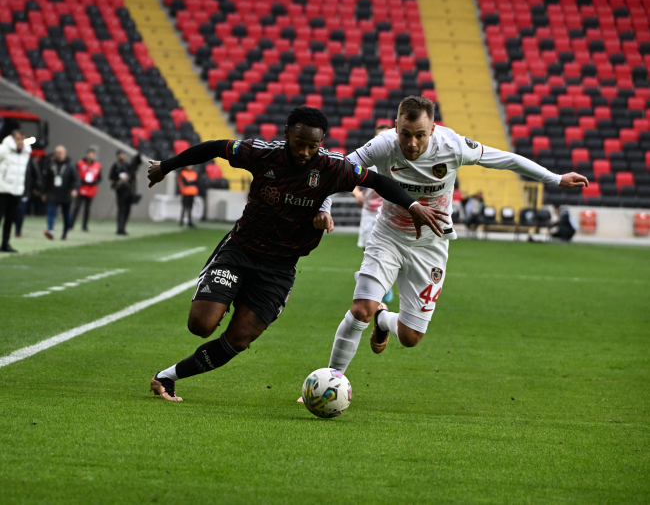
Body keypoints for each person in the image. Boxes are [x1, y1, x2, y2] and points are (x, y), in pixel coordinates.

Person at [145, 107, 446, 402]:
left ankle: (167, 377)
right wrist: (166, 166)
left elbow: (378, 181)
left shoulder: (332, 167)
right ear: (287, 133)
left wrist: (412, 206)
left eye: (313, 146)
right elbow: (215, 147)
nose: (304, 151)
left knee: (238, 340)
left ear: (322, 142)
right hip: (240, 252)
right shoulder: (262, 154)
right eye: (299, 143)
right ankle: (222, 297)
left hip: (279, 269)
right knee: (201, 325)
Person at [317, 95, 588, 377]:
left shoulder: (453, 146)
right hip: (389, 236)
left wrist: (555, 178)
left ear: (432, 130)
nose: (411, 143)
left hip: (431, 244)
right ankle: (331, 380)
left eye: (420, 135)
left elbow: (505, 159)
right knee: (361, 309)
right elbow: (337, 173)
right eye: (405, 134)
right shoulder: (384, 143)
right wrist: (324, 208)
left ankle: (384, 319)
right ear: (395, 126)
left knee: (411, 337)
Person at [351, 123, 394, 302]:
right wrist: (357, 193)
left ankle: (385, 286)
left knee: (386, 251)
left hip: (388, 213)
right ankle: (374, 282)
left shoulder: (397, 160)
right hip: (369, 212)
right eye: (378, 137)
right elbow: (349, 176)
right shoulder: (368, 162)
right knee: (366, 248)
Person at [0, 130, 31, 252]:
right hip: (2, 189)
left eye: (22, 139)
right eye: (18, 139)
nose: (20, 142)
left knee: (10, 219)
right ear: (12, 139)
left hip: (16, 190)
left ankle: (5, 243)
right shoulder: (4, 149)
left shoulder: (25, 153)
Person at [42, 145, 78, 241]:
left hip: (65, 194)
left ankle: (64, 233)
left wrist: (74, 189)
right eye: (57, 152)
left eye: (61, 152)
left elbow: (76, 180)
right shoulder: (50, 165)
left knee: (66, 214)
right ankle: (50, 231)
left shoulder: (70, 166)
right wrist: (43, 192)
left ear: (65, 153)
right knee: (51, 212)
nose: (59, 155)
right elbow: (46, 180)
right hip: (52, 193)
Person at [109, 150, 141, 235]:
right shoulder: (116, 166)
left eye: (123, 154)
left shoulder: (128, 165)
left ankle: (123, 228)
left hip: (129, 190)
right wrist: (120, 180)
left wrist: (132, 176)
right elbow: (111, 176)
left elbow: (133, 173)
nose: (122, 156)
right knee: (121, 209)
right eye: (120, 154)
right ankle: (120, 228)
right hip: (120, 191)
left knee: (127, 209)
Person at [71, 146, 102, 232]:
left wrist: (94, 182)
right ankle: (71, 225)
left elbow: (100, 178)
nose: (91, 156)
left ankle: (84, 226)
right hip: (81, 188)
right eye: (90, 154)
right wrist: (82, 181)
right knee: (76, 207)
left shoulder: (97, 165)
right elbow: (75, 175)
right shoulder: (80, 163)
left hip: (91, 190)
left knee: (87, 209)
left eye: (93, 155)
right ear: (87, 154)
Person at [14, 153, 43, 238]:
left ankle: (18, 230)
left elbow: (36, 174)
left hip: (24, 191)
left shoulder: (28, 159)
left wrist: (36, 187)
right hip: (9, 190)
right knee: (11, 212)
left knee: (20, 211)